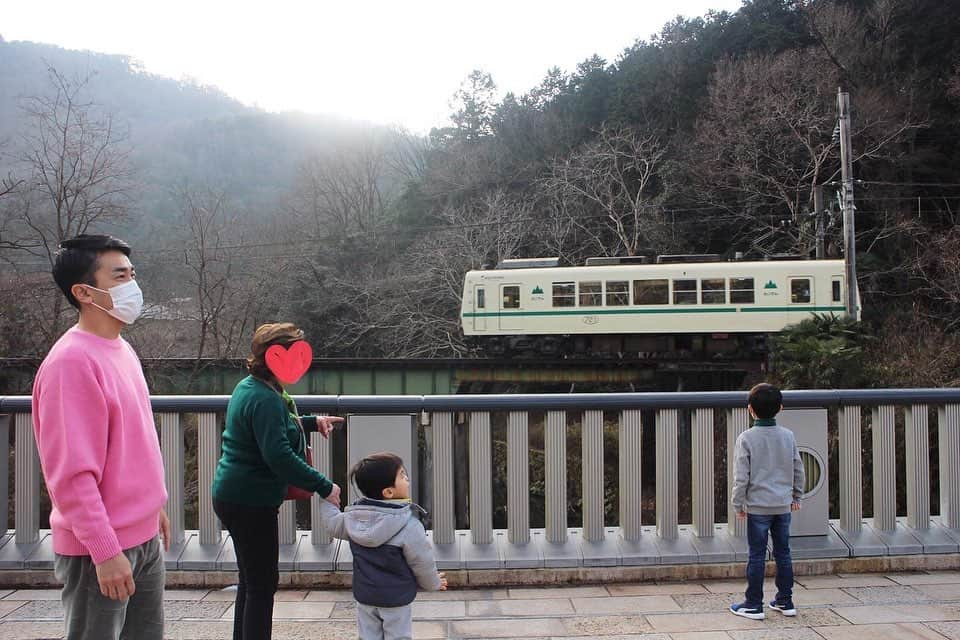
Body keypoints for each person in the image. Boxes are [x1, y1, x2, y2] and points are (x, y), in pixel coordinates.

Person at [33, 234, 170, 640]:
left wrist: (150, 509)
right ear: (83, 291)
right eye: (120, 275)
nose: (133, 285)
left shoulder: (121, 349)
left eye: (133, 274)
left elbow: (134, 443)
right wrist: (106, 550)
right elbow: (71, 475)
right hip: (101, 549)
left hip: (142, 537)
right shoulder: (70, 363)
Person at [211, 322, 342, 640]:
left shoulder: (251, 387)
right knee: (262, 585)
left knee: (252, 581)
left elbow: (273, 428)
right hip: (249, 501)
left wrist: (311, 422)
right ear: (273, 357)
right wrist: (324, 486)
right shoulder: (267, 398)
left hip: (234, 495)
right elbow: (279, 456)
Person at [319, 452, 447, 640]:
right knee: (398, 636)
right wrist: (433, 583)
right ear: (388, 492)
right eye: (402, 475)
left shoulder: (352, 520)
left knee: (368, 636)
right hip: (396, 598)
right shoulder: (409, 526)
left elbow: (331, 523)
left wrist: (326, 496)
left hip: (365, 596)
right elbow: (422, 562)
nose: (407, 478)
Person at [729, 383, 805, 620]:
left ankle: (753, 603)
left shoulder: (746, 438)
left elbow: (742, 476)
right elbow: (797, 468)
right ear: (780, 408)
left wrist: (737, 503)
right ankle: (785, 600)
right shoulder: (788, 436)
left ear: (750, 409)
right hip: (783, 505)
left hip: (758, 507)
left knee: (756, 555)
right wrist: (797, 495)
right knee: (784, 553)